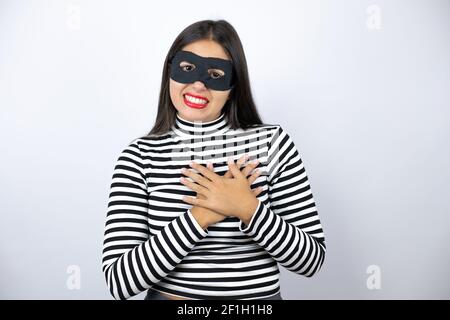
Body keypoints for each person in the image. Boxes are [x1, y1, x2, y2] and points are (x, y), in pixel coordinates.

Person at [102, 19, 326, 300]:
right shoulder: (139, 156)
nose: (198, 84)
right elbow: (119, 282)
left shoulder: (272, 144)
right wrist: (202, 215)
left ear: (233, 84)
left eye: (216, 74)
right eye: (186, 69)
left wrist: (247, 207)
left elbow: (312, 260)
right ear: (170, 72)